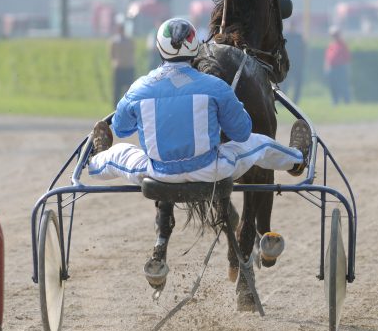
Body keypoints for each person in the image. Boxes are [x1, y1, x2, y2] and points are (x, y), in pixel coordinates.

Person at [88, 18, 312, 287]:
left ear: (159, 49)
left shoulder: (139, 88)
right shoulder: (215, 87)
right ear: (195, 48)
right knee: (259, 144)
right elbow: (242, 133)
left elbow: (122, 129)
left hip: (157, 173)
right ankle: (297, 160)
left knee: (118, 154)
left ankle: (95, 158)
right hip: (210, 170)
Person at [109, 22, 135, 107]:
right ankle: (115, 105)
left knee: (129, 87)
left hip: (128, 67)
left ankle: (128, 104)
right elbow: (112, 54)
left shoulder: (129, 40)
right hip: (119, 67)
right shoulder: (114, 41)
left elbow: (132, 52)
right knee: (117, 88)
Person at [324, 26, 351, 105]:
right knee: (333, 86)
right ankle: (335, 101)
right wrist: (326, 66)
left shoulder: (343, 44)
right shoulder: (331, 45)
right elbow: (327, 57)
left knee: (343, 85)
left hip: (341, 68)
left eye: (335, 35)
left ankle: (347, 101)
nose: (334, 36)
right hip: (332, 68)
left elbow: (347, 57)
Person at [281, 21, 305, 104]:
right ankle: (283, 100)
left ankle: (295, 101)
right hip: (287, 63)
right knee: (284, 83)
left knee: (298, 83)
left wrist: (302, 62)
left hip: (297, 64)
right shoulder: (285, 37)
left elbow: (303, 50)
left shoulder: (299, 37)